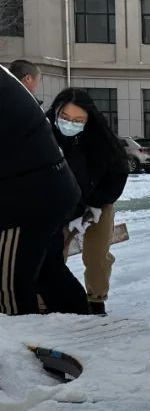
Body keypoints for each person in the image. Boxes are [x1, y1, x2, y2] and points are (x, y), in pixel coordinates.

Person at [0, 66, 86, 315]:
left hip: (24, 199)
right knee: (47, 271)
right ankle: (84, 330)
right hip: (48, 189)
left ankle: (17, 346)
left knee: (9, 287)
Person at [45, 88, 130, 315]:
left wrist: (96, 205)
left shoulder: (101, 139)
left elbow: (118, 173)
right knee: (50, 255)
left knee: (96, 256)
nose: (70, 124)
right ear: (56, 112)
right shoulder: (42, 136)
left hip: (98, 203)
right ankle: (45, 300)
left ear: (88, 119)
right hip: (57, 205)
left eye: (78, 120)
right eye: (65, 118)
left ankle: (96, 298)